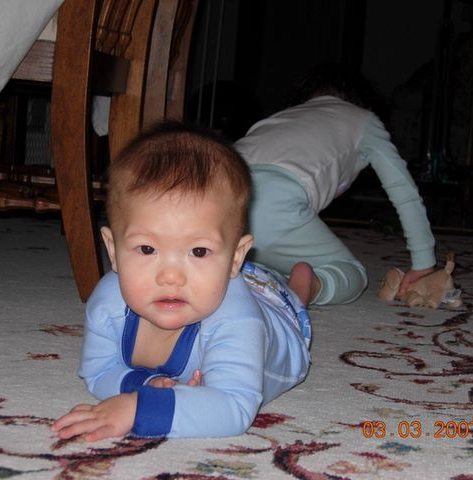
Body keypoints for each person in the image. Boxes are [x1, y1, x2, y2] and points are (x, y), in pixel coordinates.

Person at [51, 121, 311, 440]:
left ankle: (301, 288)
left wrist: (138, 408)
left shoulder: (239, 322)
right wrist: (145, 384)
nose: (171, 276)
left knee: (289, 301)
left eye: (198, 250)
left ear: (236, 257)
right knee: (229, 281)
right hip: (219, 279)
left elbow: (234, 407)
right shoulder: (107, 304)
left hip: (278, 314)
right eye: (147, 249)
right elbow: (98, 370)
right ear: (113, 250)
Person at [234, 64, 437, 306]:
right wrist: (424, 262)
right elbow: (405, 192)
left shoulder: (277, 119)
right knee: (352, 273)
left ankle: (241, 274)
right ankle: (314, 285)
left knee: (251, 256)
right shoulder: (364, 120)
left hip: (220, 196)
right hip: (277, 201)